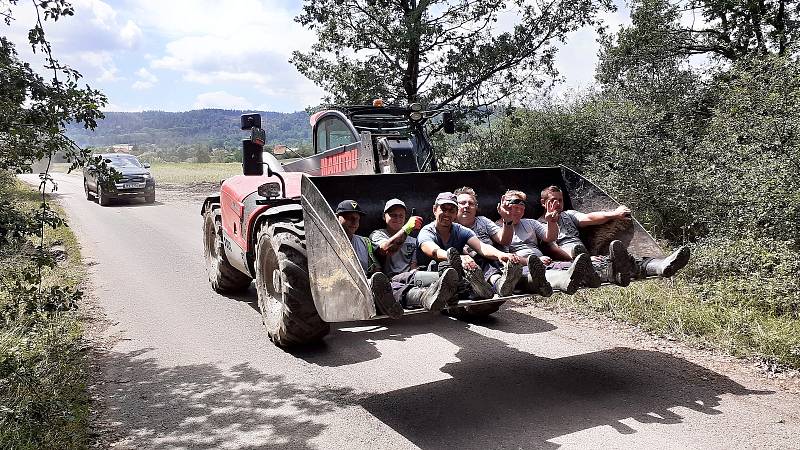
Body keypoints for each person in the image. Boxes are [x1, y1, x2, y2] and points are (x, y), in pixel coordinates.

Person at [538, 185, 690, 281]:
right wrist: (584, 258)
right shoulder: (539, 223)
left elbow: (590, 218)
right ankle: (609, 268)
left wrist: (614, 214)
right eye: (553, 200)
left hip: (585, 251)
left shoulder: (568, 214)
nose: (557, 203)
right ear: (543, 203)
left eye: (560, 200)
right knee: (601, 262)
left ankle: (660, 266)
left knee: (625, 260)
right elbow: (553, 248)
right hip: (571, 256)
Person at [417, 192, 523, 300]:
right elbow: (434, 251)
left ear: (456, 213)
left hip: (459, 273)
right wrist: (457, 258)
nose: (447, 214)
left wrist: (501, 255)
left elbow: (482, 247)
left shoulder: (460, 230)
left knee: (477, 255)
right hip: (433, 276)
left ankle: (497, 284)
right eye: (443, 209)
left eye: (451, 210)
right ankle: (470, 289)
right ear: (435, 210)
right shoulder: (427, 231)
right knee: (441, 264)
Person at [499, 189, 602, 295]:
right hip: (521, 268)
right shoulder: (497, 229)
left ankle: (596, 275)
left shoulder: (530, 223)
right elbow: (505, 256)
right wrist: (532, 261)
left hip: (543, 264)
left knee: (571, 266)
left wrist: (551, 222)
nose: (519, 212)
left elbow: (550, 237)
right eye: (515, 208)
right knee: (542, 275)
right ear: (505, 206)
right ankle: (565, 281)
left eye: (522, 208)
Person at [336, 199, 405, 319]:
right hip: (340, 289)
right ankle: (385, 306)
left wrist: (383, 282)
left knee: (390, 285)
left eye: (357, 219)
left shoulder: (365, 242)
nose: (354, 222)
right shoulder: (325, 242)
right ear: (337, 218)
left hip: (365, 287)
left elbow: (375, 270)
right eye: (350, 217)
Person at [369, 198, 422, 277]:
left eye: (401, 216)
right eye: (393, 215)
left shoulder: (413, 241)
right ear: (384, 216)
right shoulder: (377, 234)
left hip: (408, 280)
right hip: (387, 281)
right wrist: (407, 228)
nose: (397, 219)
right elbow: (387, 249)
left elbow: (413, 265)